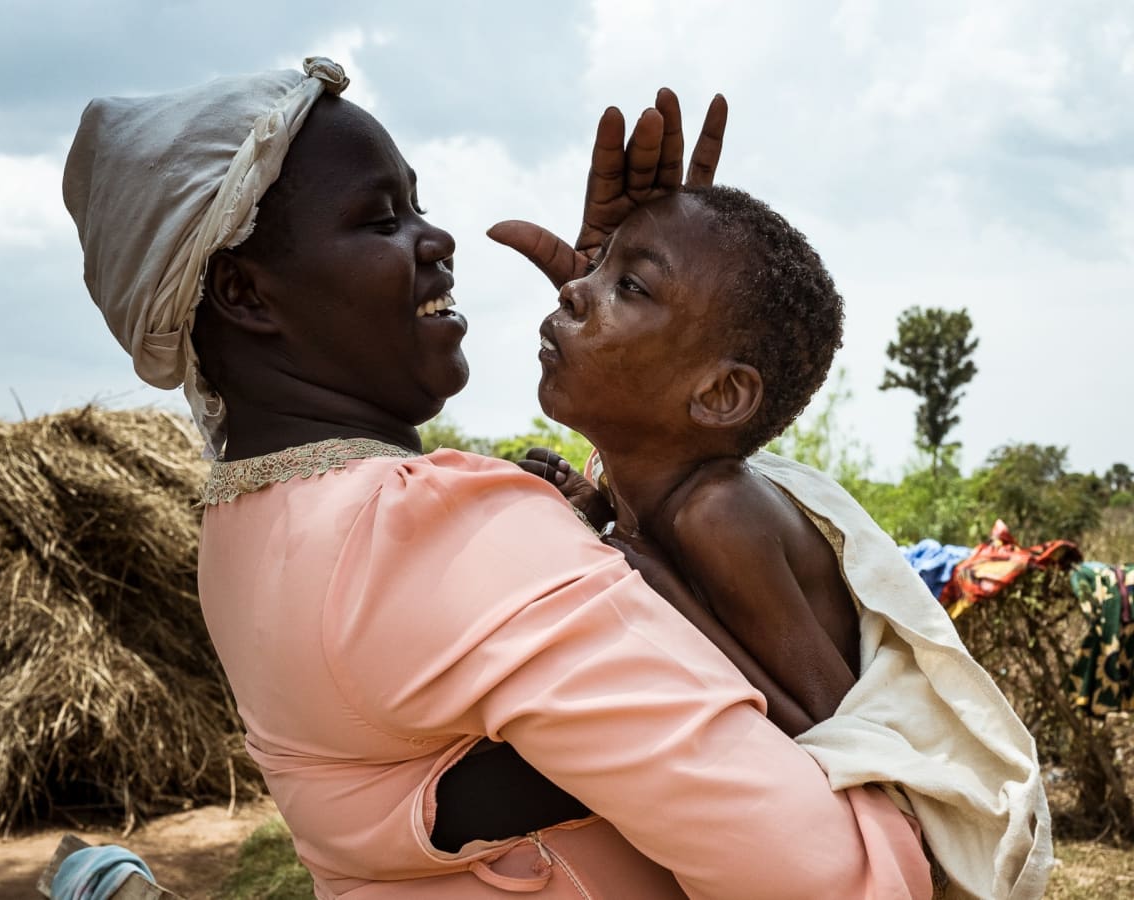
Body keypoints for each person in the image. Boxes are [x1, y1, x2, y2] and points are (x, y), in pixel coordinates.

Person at [63, 58, 937, 898]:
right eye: (379, 220)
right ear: (246, 295)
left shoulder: (249, 529)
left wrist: (637, 357)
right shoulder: (441, 534)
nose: (436, 238)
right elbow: (831, 877)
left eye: (418, 207)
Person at [502, 187, 1054, 898]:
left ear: (720, 395)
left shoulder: (718, 510)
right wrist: (602, 515)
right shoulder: (647, 493)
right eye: (600, 265)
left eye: (627, 285)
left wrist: (641, 575)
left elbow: (831, 727)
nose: (575, 290)